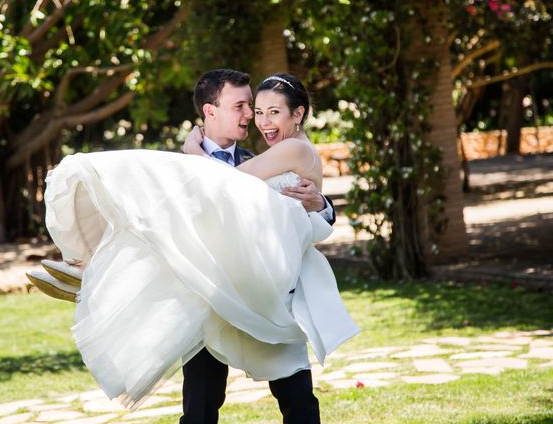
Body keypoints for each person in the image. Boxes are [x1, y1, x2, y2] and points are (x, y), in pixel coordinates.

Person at [28, 70, 359, 423]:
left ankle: (92, 273)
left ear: (299, 114)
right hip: (209, 292)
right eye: (248, 108)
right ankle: (93, 269)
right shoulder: (182, 168)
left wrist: (321, 203)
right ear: (209, 111)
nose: (255, 118)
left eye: (266, 111)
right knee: (201, 404)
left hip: (263, 287)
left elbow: (232, 188)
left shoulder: (259, 157)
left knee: (294, 392)